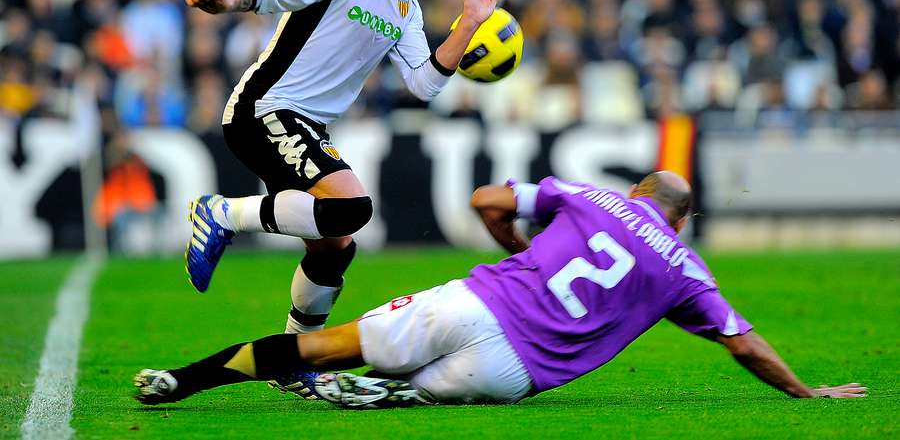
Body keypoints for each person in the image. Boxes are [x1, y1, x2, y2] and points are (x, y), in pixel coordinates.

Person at [134, 172, 866, 408]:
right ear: (682, 217)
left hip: (475, 300)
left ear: (637, 187)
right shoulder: (686, 269)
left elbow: (487, 198)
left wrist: (518, 247)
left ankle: (183, 379)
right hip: (513, 371)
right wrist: (806, 392)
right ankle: (387, 392)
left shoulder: (586, 194)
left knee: (315, 347)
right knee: (408, 393)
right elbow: (743, 343)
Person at [180, 0, 504, 393]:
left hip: (304, 124)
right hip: (264, 109)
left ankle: (289, 361)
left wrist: (468, 22)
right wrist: (230, 0)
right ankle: (222, 212)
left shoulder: (406, 6)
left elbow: (425, 84)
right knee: (353, 208)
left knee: (337, 246)